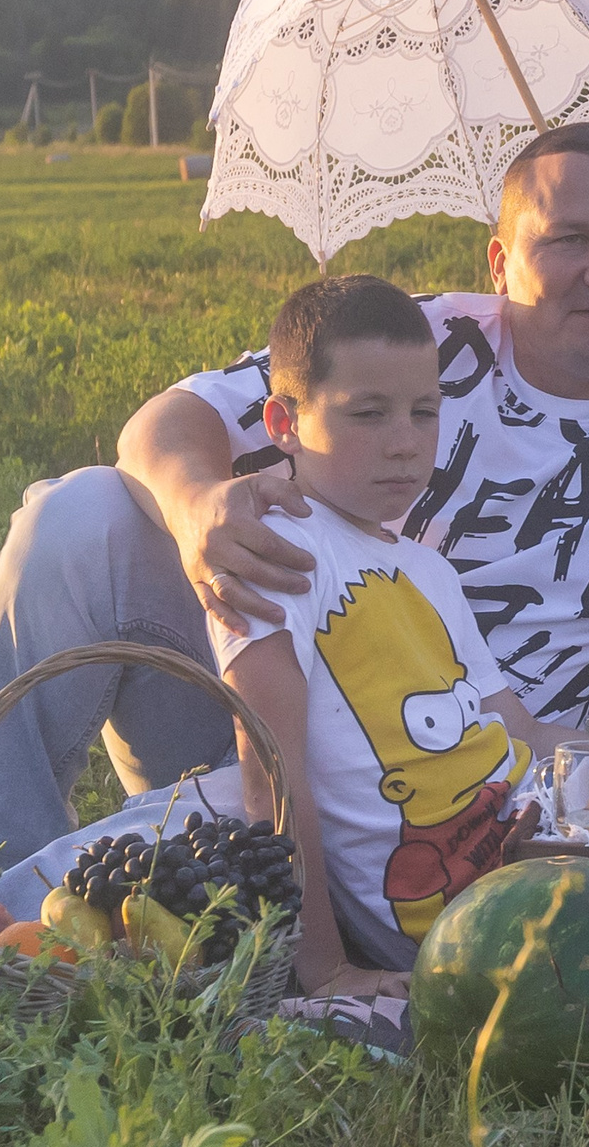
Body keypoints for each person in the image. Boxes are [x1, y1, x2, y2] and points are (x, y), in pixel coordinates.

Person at [0, 123, 589, 873]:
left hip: (476, 784)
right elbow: (169, 418)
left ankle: (25, 912)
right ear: (501, 262)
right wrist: (196, 507)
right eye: (569, 239)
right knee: (79, 516)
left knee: (106, 893)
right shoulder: (420, 346)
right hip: (266, 697)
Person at [210, 274, 561, 992]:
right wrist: (325, 966)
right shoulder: (278, 551)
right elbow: (271, 774)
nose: (405, 444)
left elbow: (514, 725)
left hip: (527, 840)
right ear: (284, 423)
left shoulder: (427, 568)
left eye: (424, 412)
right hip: (450, 918)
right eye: (368, 414)